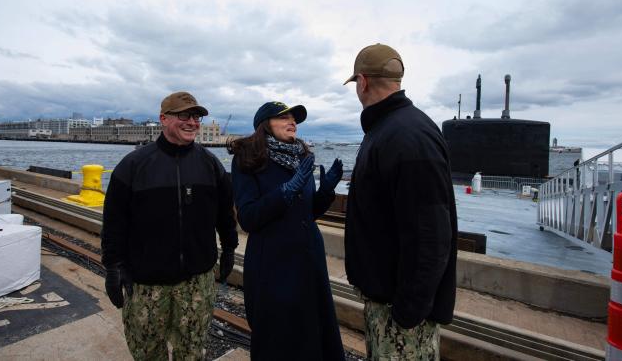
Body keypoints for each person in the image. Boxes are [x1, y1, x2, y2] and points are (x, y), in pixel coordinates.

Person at [101, 91, 238, 360]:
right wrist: (113, 266)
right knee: (147, 352)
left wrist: (230, 246)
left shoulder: (210, 164)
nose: (192, 122)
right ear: (163, 119)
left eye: (196, 116)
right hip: (146, 283)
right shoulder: (134, 165)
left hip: (197, 282)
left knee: (192, 351)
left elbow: (225, 213)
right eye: (184, 115)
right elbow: (114, 221)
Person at [343, 44, 458, 360]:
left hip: (401, 315)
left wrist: (408, 313)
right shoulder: (394, 129)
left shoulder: (405, 136)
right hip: (390, 305)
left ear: (362, 82)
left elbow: (431, 235)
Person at [228, 101, 346, 361]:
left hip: (308, 259)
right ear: (264, 124)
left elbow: (307, 213)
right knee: (278, 338)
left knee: (313, 332)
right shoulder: (247, 159)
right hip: (273, 263)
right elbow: (248, 218)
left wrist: (325, 191)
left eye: (294, 118)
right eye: (283, 117)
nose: (292, 122)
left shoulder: (299, 157)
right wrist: (285, 191)